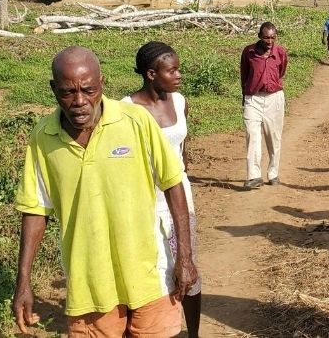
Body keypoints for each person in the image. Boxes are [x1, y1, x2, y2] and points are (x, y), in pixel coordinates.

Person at [13, 46, 196, 338]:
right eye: (67, 92)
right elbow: (35, 207)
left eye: (88, 90)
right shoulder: (43, 137)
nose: (79, 102)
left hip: (150, 276)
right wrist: (23, 282)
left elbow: (173, 183)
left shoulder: (135, 121)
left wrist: (184, 258)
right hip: (90, 285)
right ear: (52, 89)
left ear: (102, 83)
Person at [122, 42, 202, 338]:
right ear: (151, 73)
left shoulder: (179, 101)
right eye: (173, 70)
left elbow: (182, 144)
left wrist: (184, 165)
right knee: (152, 271)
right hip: (143, 201)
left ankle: (192, 333)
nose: (179, 74)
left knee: (187, 266)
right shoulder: (126, 109)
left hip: (180, 197)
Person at [240, 22, 288, 188]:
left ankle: (273, 173)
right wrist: (245, 97)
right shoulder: (249, 52)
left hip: (274, 98)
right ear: (260, 36)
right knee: (252, 135)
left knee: (274, 138)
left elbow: (281, 71)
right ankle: (254, 176)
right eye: (266, 37)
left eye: (272, 37)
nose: (269, 41)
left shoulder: (280, 52)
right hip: (253, 99)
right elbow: (244, 75)